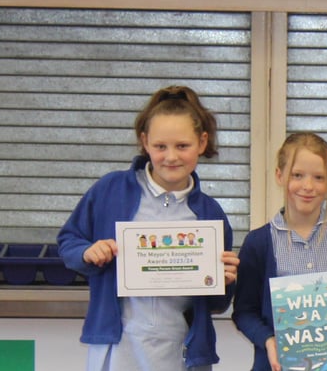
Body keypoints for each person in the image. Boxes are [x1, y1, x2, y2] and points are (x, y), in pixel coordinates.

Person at [57, 85, 239, 371]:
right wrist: (87, 252)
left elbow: (216, 303)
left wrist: (226, 281)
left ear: (202, 143)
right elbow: (69, 240)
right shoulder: (110, 190)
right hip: (119, 345)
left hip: (182, 350)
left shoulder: (210, 214)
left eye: (182, 146)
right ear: (145, 142)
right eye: (160, 146)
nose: (171, 157)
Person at [232, 132, 327, 371]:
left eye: (318, 177)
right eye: (297, 175)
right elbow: (244, 312)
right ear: (280, 176)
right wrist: (268, 341)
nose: (308, 186)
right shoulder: (258, 243)